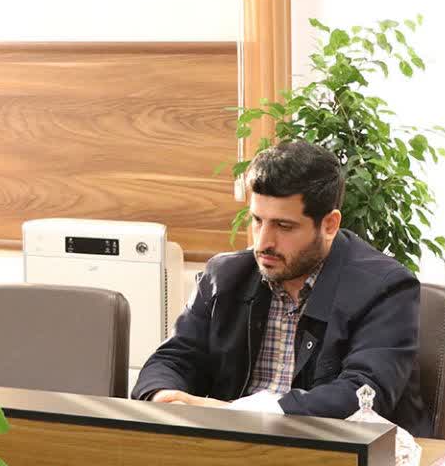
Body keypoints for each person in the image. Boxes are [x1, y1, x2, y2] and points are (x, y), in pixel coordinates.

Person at [131, 141, 428, 434]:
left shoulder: (385, 288)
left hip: (337, 453)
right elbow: (171, 360)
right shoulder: (225, 275)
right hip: (231, 450)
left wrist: (238, 414)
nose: (263, 242)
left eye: (284, 226)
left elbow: (364, 395)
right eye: (257, 221)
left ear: (329, 225)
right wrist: (167, 400)